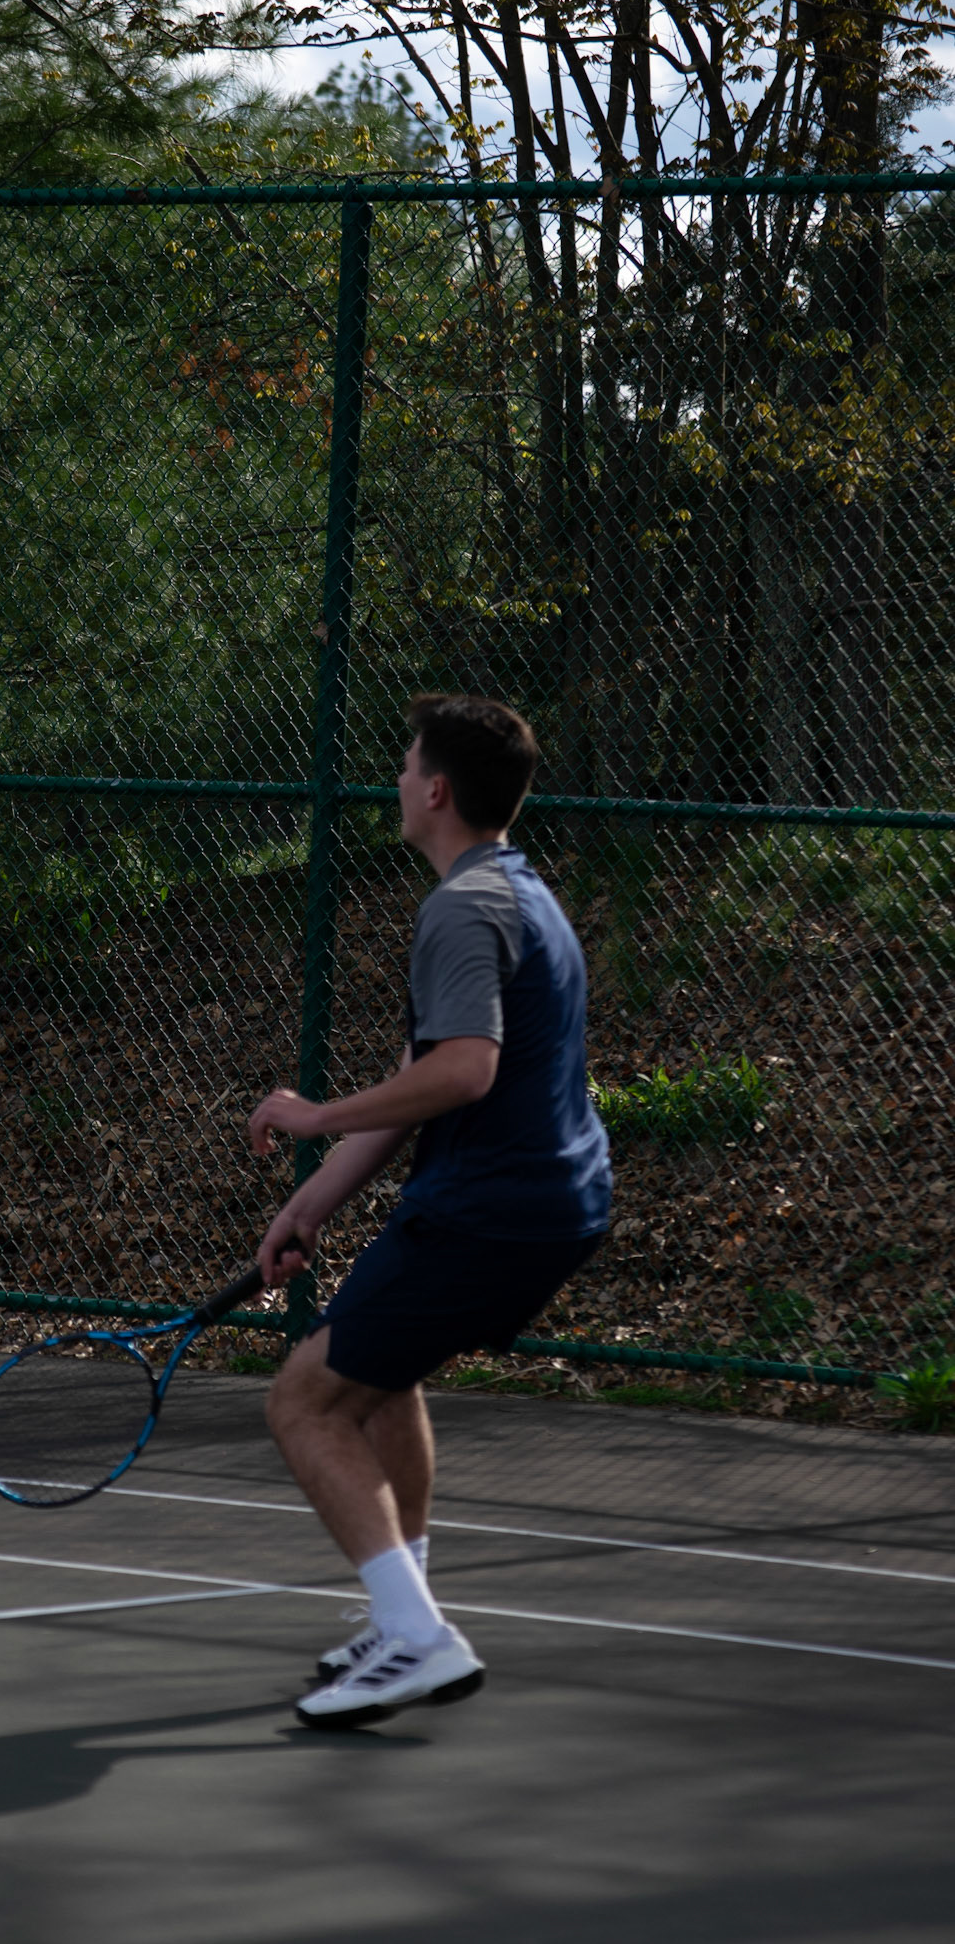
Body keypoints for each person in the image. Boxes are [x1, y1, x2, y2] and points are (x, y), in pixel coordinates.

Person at [247, 693, 611, 1730]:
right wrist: (311, 1201)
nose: (397, 782)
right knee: (380, 1374)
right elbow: (422, 1071)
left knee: (304, 1402)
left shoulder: (460, 907)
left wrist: (313, 1114)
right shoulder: (518, 892)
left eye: (407, 767)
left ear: (438, 791)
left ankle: (416, 1636)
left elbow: (462, 1072)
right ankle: (401, 1614)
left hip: (492, 1208)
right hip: (552, 1198)